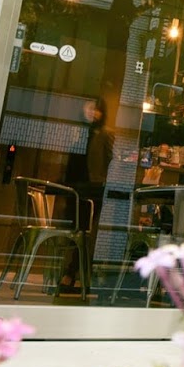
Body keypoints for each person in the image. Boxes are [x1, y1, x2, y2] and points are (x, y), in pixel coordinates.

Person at [61, 97, 113, 294]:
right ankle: (71, 273)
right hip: (74, 188)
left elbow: (111, 160)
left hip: (92, 190)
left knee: (85, 232)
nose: (93, 112)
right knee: (75, 231)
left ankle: (75, 274)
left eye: (97, 109)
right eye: (90, 108)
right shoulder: (79, 131)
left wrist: (103, 183)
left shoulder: (104, 134)